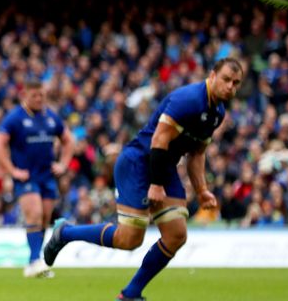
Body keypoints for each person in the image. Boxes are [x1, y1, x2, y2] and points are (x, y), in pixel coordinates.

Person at [43, 58, 244, 301]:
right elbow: (159, 140)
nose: (231, 87)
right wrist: (156, 184)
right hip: (138, 163)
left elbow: (197, 153)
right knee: (129, 239)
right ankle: (65, 233)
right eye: (226, 80)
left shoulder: (217, 113)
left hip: (164, 166)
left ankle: (130, 294)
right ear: (212, 75)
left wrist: (201, 190)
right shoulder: (189, 100)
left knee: (177, 234)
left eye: (236, 83)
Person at [0, 79, 75, 278]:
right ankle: (35, 261)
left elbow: (69, 140)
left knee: (45, 218)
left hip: (47, 176)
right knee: (34, 214)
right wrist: (12, 170)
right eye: (34, 95)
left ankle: (35, 262)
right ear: (24, 96)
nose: (38, 99)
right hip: (27, 177)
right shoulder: (15, 118)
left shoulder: (51, 117)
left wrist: (63, 164)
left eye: (41, 95)